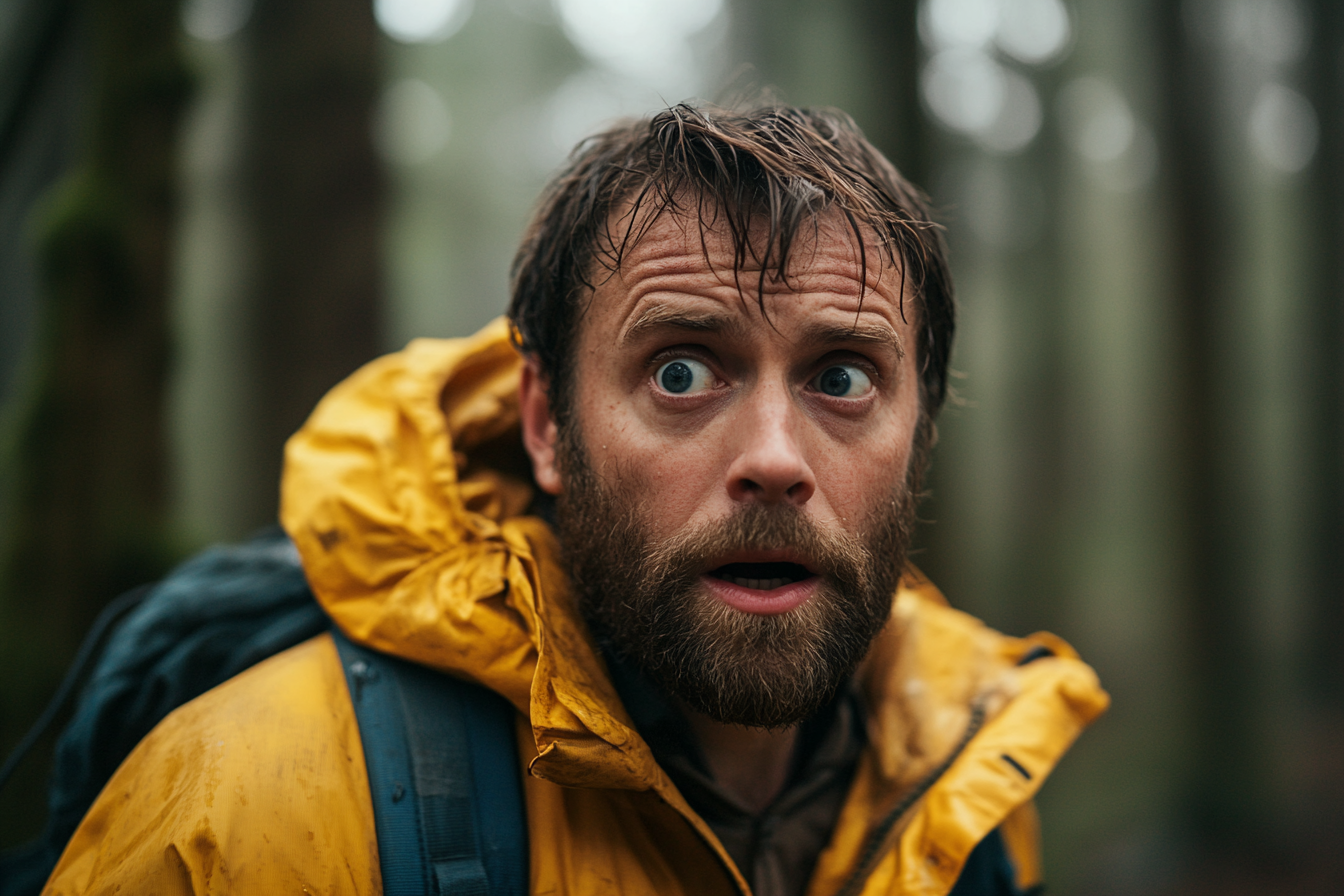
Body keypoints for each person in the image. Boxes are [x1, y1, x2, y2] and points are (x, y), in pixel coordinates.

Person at [42, 104, 1107, 896]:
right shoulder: (238, 815)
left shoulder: (975, 797)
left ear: (920, 428)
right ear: (547, 424)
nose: (776, 459)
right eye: (683, 372)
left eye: (841, 376)